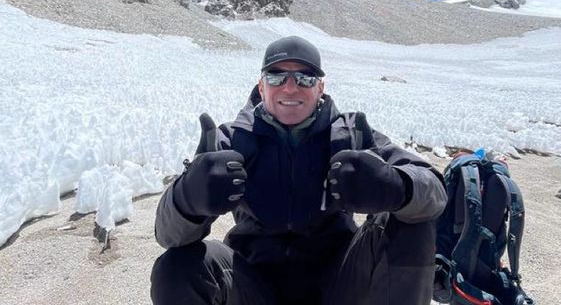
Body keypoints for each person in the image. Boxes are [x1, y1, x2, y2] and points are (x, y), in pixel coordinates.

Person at [150, 35, 447, 305]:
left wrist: (396, 186)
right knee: (177, 269)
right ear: (261, 85)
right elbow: (167, 235)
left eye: (304, 78)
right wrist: (188, 197)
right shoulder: (230, 141)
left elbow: (433, 189)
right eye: (276, 76)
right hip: (254, 286)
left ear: (321, 87)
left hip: (340, 285)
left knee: (412, 219)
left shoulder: (353, 136)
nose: (290, 87)